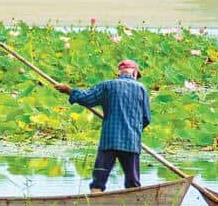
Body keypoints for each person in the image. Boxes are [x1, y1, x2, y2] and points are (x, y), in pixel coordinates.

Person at [54, 59, 151, 192]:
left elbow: (86, 97)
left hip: (109, 140)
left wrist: (69, 90)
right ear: (134, 73)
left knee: (98, 182)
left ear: (119, 74)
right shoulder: (141, 89)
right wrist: (133, 129)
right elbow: (146, 118)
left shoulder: (108, 86)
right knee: (133, 184)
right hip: (131, 142)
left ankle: (95, 201)